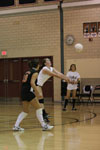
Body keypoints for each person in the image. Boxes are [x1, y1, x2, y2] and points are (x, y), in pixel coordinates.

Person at [13, 59, 53, 131]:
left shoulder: (27, 72)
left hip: (23, 92)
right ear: (37, 65)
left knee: (25, 111)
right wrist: (37, 92)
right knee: (39, 108)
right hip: (28, 92)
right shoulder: (35, 73)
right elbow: (32, 83)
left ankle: (16, 126)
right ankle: (44, 126)